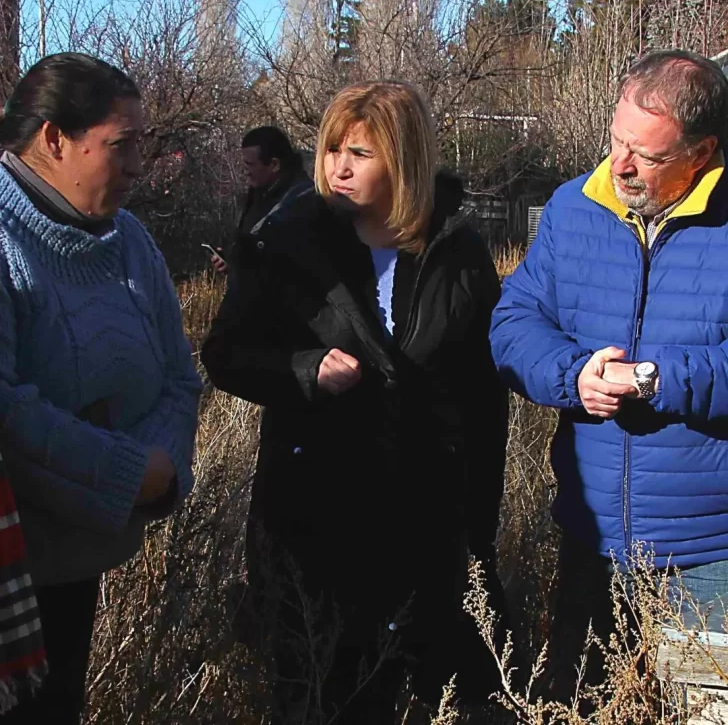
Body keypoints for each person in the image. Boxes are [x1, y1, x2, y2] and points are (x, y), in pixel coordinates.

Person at [202, 80, 508, 723]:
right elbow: (226, 354)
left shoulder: (459, 249)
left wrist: (479, 523)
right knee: (317, 691)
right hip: (316, 510)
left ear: (405, 159)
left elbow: (484, 397)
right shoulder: (287, 242)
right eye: (333, 147)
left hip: (425, 513)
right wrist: (306, 369)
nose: (339, 166)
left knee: (420, 693)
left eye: (361, 152)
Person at [489, 49, 728, 699]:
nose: (619, 165)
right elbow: (514, 322)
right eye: (616, 140)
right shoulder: (575, 208)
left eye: (646, 156)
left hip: (710, 554)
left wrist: (657, 379)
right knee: (585, 709)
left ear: (702, 152)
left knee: (704, 713)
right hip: (590, 537)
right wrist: (572, 375)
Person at [0, 53, 202, 722]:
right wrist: (123, 470)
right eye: (123, 145)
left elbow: (179, 375)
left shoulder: (132, 243)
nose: (140, 165)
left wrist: (162, 467)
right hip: (10, 576)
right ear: (55, 138)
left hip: (78, 563)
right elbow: (5, 411)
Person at [208, 125, 312, 275]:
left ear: (274, 164)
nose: (246, 171)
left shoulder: (303, 203)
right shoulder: (258, 194)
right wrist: (232, 264)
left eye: (250, 165)